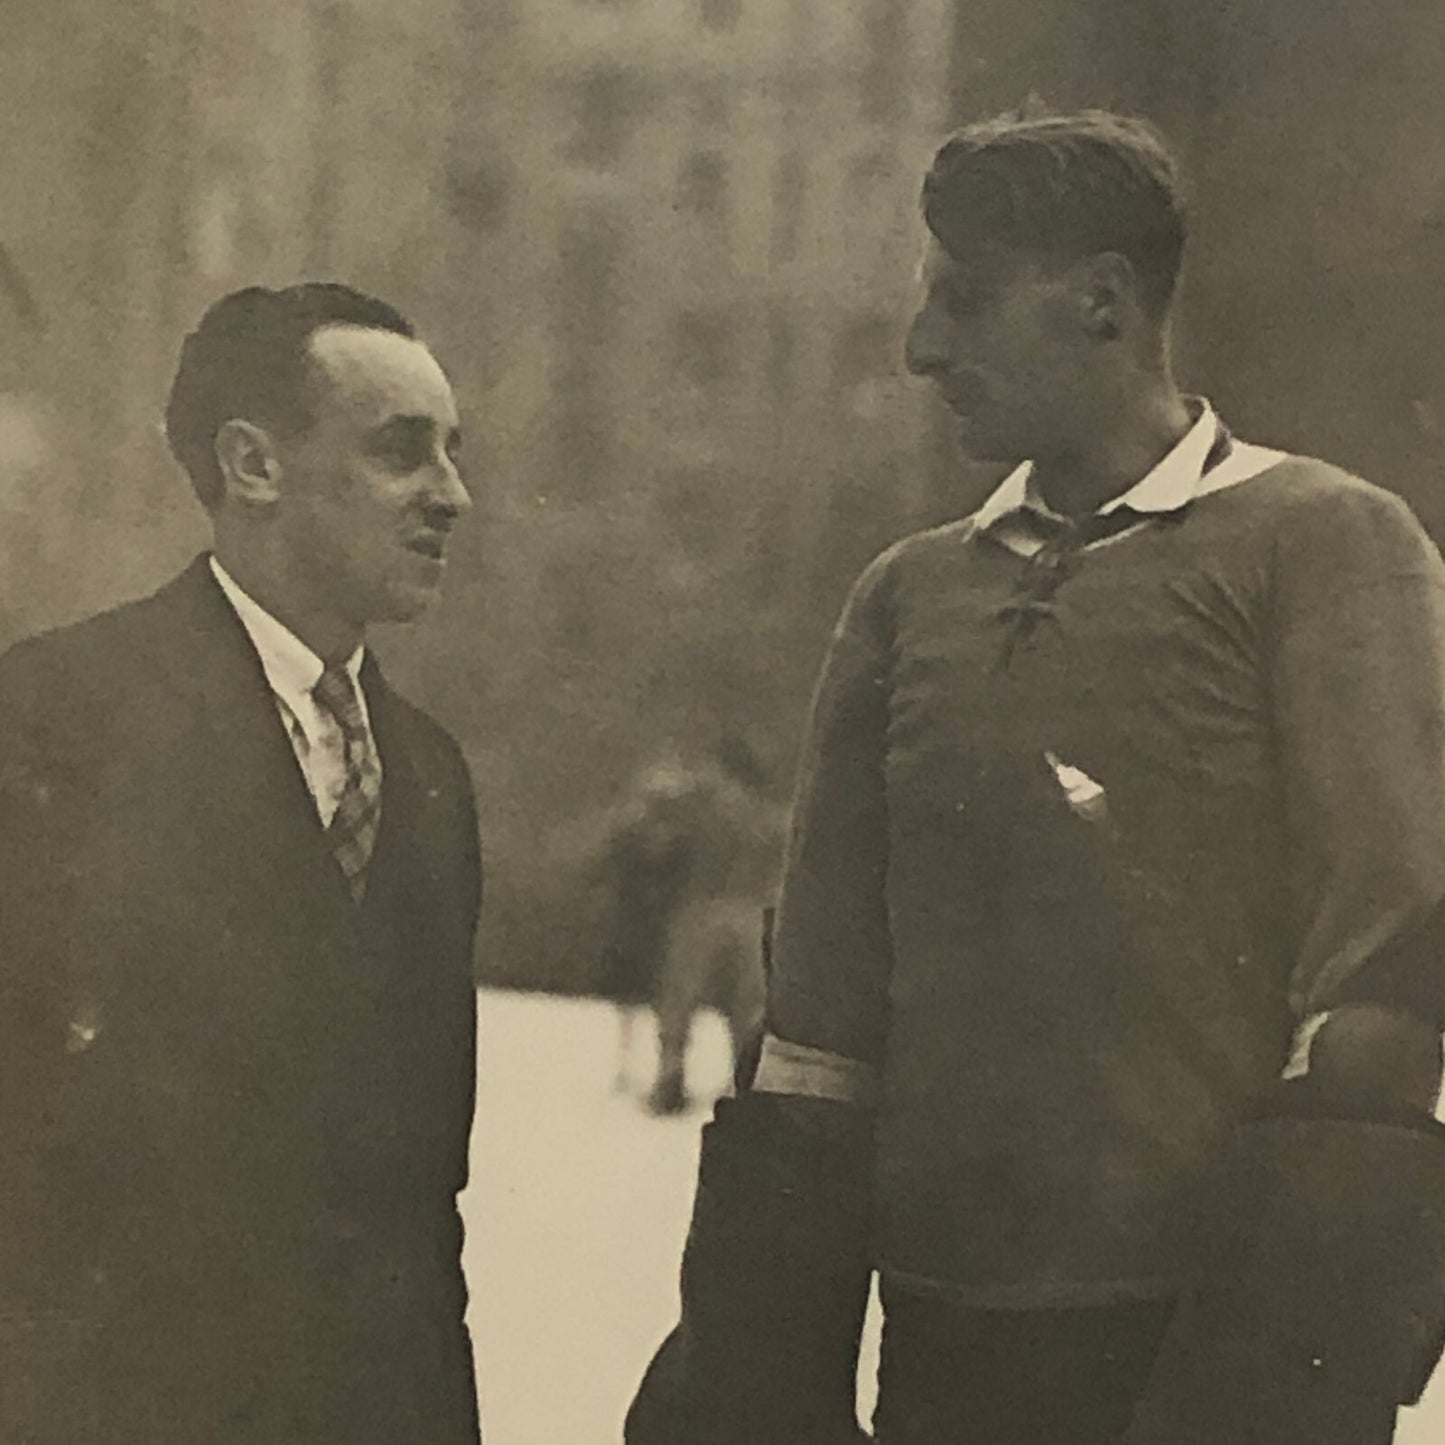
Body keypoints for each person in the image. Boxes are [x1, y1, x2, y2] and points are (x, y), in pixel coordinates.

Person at [626, 110, 1445, 1445]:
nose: (920, 349)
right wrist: (750, 1375)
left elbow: (1386, 987)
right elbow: (820, 1018)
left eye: (963, 297)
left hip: (1201, 1353)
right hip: (944, 1346)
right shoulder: (907, 592)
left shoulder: (1328, 543)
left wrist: (1259, 1396)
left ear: (1103, 304)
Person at [0, 283, 484, 1442]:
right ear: (253, 465)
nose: (453, 497)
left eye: (451, 454)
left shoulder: (429, 773)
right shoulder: (56, 714)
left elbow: (425, 1220)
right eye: (399, 452)